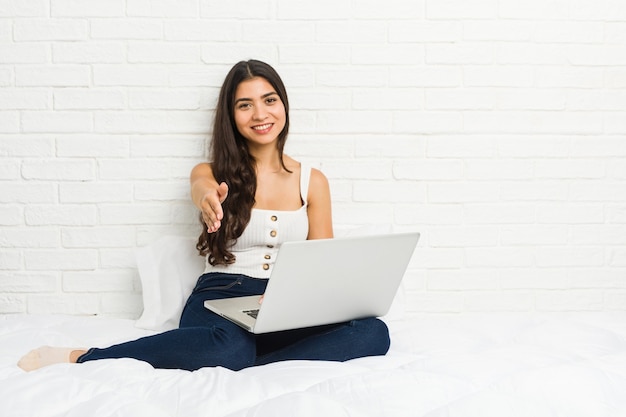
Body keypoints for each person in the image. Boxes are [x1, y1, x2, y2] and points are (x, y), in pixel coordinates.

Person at [17, 59, 390, 372]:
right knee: (227, 347)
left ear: (284, 105)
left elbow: (321, 261)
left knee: (374, 333)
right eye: (245, 105)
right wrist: (208, 198)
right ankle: (86, 356)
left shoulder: (313, 181)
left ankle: (249, 362)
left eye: (269, 100)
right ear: (232, 115)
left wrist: (305, 298)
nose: (260, 114)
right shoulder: (211, 172)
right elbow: (201, 187)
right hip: (222, 296)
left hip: (286, 303)